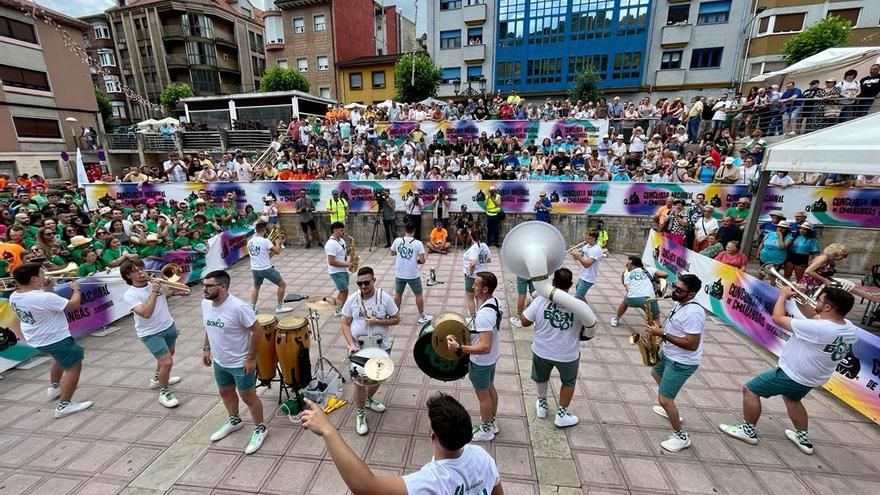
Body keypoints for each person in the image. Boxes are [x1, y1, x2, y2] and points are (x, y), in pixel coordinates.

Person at [720, 286, 858, 455]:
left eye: (820, 300)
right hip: (813, 378)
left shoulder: (820, 329)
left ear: (828, 307)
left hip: (791, 375)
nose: (816, 301)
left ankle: (747, 430)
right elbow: (814, 315)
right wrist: (798, 297)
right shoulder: (849, 328)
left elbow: (778, 318)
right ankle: (802, 437)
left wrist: (783, 296)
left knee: (750, 390)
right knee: (792, 399)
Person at [300, 392, 502, 495]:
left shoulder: (430, 482)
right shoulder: (483, 458)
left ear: (433, 437)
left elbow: (366, 487)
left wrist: (328, 430)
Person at [9, 262, 91, 418]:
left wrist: (47, 286)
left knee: (59, 359)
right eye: (41, 273)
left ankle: (55, 387)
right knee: (73, 366)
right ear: (33, 279)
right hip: (55, 338)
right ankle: (64, 405)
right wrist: (76, 290)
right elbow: (73, 304)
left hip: (37, 339)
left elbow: (47, 304)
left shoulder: (15, 295)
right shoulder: (42, 297)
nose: (44, 274)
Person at [200, 270, 267, 454]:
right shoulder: (205, 304)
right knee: (225, 392)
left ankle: (260, 428)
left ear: (222, 287)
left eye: (208, 286)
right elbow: (208, 326)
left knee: (248, 397)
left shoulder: (238, 307)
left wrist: (251, 358)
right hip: (220, 361)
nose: (204, 289)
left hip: (240, 362)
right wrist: (206, 348)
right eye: (203, 285)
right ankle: (234, 420)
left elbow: (257, 331)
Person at [520, 268, 592, 428]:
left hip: (541, 350)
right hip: (568, 354)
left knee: (540, 376)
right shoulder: (579, 305)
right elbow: (590, 331)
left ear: (553, 283)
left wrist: (529, 304)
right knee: (568, 382)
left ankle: (542, 405)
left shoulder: (540, 300)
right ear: (571, 284)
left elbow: (524, 322)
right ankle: (561, 414)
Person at [644, 273, 705, 452]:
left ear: (691, 294)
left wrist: (661, 334)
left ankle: (681, 436)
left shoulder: (693, 313)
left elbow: (692, 345)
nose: (673, 291)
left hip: (681, 362)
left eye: (678, 289)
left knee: (664, 398)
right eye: (674, 286)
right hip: (669, 354)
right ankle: (668, 403)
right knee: (655, 373)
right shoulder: (681, 303)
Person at [121, 260, 188, 408]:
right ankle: (164, 392)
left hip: (168, 325)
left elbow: (175, 290)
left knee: (169, 355)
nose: (141, 273)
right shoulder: (130, 295)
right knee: (167, 361)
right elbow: (146, 313)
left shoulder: (156, 283)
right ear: (128, 275)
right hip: (150, 333)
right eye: (135, 271)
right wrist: (155, 291)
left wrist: (177, 291)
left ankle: (158, 379)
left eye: (142, 269)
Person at [342, 266, 400, 435]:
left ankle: (368, 399)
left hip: (381, 347)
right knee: (359, 381)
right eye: (359, 283)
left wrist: (378, 322)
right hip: (359, 348)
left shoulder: (384, 298)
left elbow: (397, 319)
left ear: (374, 280)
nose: (363, 287)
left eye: (366, 282)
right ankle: (360, 412)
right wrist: (350, 344)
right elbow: (345, 324)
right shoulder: (352, 299)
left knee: (378, 378)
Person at [446, 271, 503, 442]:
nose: (473, 286)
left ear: (485, 289)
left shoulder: (484, 314)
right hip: (492, 358)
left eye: (476, 284)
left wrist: (460, 347)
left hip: (482, 361)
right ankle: (491, 421)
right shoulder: (496, 302)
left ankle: (486, 429)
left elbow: (485, 346)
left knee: (483, 395)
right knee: (490, 388)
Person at [247, 221, 293, 314]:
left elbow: (265, 256)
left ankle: (253, 308)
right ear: (264, 230)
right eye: (266, 230)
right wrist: (277, 243)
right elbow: (277, 251)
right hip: (266, 269)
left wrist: (273, 249)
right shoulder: (265, 241)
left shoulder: (250, 242)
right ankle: (280, 306)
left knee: (256, 287)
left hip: (255, 269)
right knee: (282, 285)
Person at [391, 223, 431, 325]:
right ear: (414, 231)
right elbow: (422, 260)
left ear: (405, 230)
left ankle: (395, 315)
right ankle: (422, 315)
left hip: (399, 274)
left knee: (398, 294)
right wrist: (416, 260)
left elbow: (392, 252)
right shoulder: (418, 243)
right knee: (418, 295)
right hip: (413, 274)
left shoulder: (397, 241)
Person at [611, 257, 668, 327]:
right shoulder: (649, 269)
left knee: (625, 302)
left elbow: (627, 289)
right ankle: (655, 334)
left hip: (632, 299)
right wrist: (654, 277)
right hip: (649, 299)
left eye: (627, 265)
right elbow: (665, 274)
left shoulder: (627, 274)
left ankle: (616, 318)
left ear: (633, 266)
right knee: (655, 317)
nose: (626, 266)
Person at [325, 221, 353, 317]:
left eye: (343, 230)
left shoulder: (341, 240)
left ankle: (338, 306)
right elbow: (331, 261)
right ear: (335, 230)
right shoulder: (331, 244)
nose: (343, 232)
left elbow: (342, 254)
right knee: (344, 290)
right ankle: (337, 309)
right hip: (336, 271)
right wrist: (347, 265)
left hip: (342, 270)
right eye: (341, 230)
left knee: (343, 290)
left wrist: (350, 251)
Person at [462, 229, 491, 316]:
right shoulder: (485, 246)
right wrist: (481, 261)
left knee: (470, 298)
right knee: (479, 298)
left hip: (473, 277)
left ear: (471, 236)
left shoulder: (474, 248)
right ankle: (480, 317)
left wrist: (470, 273)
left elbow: (473, 263)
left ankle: (474, 318)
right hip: (483, 275)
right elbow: (489, 260)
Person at [571, 229, 602, 301]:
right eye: (586, 237)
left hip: (589, 277)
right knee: (580, 296)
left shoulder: (597, 249)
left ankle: (584, 310)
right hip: (582, 274)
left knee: (578, 297)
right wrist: (574, 253)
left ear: (594, 238)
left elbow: (587, 265)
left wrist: (578, 256)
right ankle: (586, 308)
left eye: (589, 238)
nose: (586, 240)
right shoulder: (586, 246)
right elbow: (577, 258)